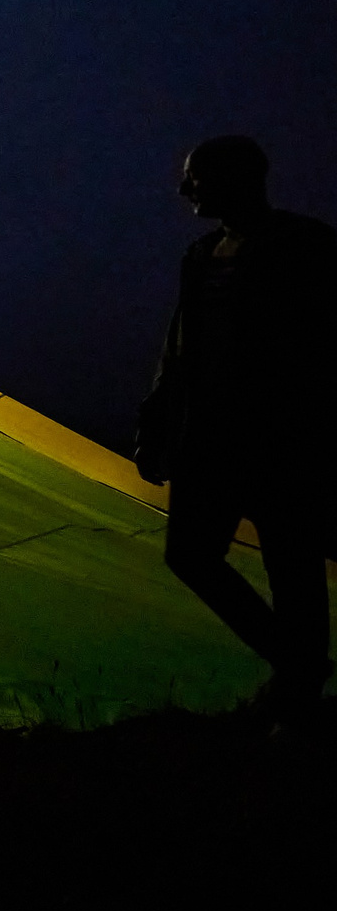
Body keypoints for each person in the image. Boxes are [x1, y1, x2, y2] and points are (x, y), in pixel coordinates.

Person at [134, 135, 336, 729]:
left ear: (235, 178)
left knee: (292, 564)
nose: (184, 189)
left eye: (195, 177)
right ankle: (299, 668)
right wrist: (156, 421)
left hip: (285, 438)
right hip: (209, 437)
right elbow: (179, 347)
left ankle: (297, 690)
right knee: (191, 554)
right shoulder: (202, 255)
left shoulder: (306, 246)